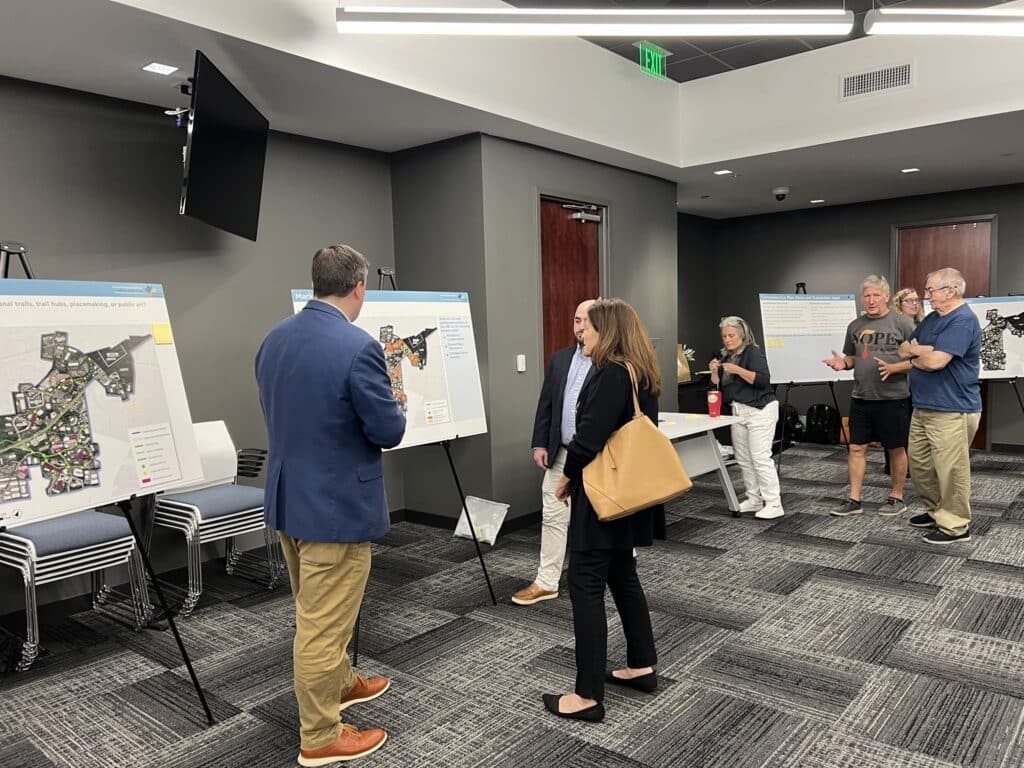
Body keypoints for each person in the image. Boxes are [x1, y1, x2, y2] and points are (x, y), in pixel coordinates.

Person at [255, 244, 407, 765]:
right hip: (336, 511)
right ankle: (320, 737)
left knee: (318, 612)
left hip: (289, 501)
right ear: (359, 287)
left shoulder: (273, 339)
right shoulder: (358, 346)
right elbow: (387, 430)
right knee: (321, 627)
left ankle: (341, 683)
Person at [543, 298, 660, 722]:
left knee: (585, 586)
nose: (581, 335)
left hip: (602, 496)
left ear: (606, 331)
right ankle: (642, 664)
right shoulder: (639, 372)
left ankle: (587, 694)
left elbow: (588, 438)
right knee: (623, 577)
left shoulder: (610, 374)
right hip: (629, 495)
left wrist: (567, 477)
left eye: (588, 329)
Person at [513, 299, 596, 606]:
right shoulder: (560, 359)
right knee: (553, 514)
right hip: (561, 452)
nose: (581, 326)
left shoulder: (611, 362)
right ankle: (547, 581)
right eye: (577, 320)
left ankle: (619, 567)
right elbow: (546, 403)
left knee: (604, 513)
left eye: (587, 320)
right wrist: (539, 443)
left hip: (596, 456)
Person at [899, 267, 982, 545]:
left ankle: (956, 527)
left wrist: (919, 352)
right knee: (921, 465)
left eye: (930, 290)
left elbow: (936, 362)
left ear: (951, 290)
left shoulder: (962, 321)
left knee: (951, 469)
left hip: (953, 409)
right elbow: (903, 347)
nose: (926, 296)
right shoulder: (934, 318)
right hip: (924, 406)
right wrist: (919, 351)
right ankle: (937, 511)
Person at [822, 275, 915, 518]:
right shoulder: (855, 326)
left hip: (893, 398)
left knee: (895, 448)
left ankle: (897, 497)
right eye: (867, 296)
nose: (871, 300)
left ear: (886, 296)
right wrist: (843, 363)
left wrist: (895, 368)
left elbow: (919, 360)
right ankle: (854, 499)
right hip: (861, 397)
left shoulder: (903, 323)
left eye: (876, 295)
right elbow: (853, 358)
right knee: (855, 448)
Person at [709, 316, 784, 519]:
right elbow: (717, 387)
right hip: (738, 412)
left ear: (741, 335)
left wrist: (738, 370)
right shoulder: (726, 357)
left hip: (760, 410)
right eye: (724, 336)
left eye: (731, 335)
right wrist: (714, 373)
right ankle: (754, 499)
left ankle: (774, 503)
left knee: (760, 457)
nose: (727, 339)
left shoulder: (752, 352)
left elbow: (763, 381)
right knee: (743, 459)